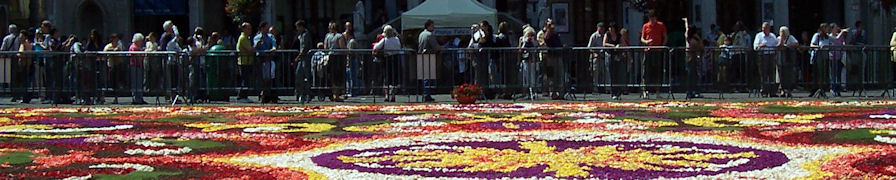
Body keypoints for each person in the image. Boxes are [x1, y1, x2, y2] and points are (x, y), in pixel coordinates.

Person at [640, 10, 667, 99]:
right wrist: (646, 42)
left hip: (657, 51)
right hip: (648, 50)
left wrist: (662, 46)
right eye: (651, 18)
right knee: (646, 71)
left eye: (654, 18)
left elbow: (665, 37)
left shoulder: (661, 25)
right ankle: (645, 91)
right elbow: (642, 38)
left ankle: (657, 91)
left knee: (657, 71)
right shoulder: (645, 26)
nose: (652, 20)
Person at [373, 25, 402, 102]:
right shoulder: (396, 39)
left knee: (386, 77)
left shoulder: (385, 40)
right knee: (395, 78)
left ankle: (386, 95)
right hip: (396, 58)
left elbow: (376, 47)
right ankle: (393, 95)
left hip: (387, 59)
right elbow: (399, 47)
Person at [417, 19, 442, 102]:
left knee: (424, 76)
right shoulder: (429, 35)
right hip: (428, 56)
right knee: (427, 77)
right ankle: (426, 95)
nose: (433, 27)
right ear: (428, 26)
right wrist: (442, 48)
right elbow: (435, 46)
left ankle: (426, 94)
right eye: (432, 25)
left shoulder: (421, 34)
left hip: (421, 56)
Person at [254, 22, 278, 103]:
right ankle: (262, 94)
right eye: (265, 28)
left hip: (268, 59)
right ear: (261, 28)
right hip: (260, 59)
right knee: (261, 78)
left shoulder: (270, 36)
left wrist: (273, 48)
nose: (267, 29)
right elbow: (254, 47)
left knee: (268, 78)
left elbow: (274, 44)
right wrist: (257, 44)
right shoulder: (257, 37)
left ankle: (268, 95)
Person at [753, 22, 779, 97]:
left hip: (771, 56)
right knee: (763, 74)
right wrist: (761, 45)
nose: (764, 30)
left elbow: (776, 45)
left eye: (766, 28)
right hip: (763, 56)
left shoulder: (773, 36)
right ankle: (764, 90)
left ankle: (772, 91)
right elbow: (755, 47)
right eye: (763, 28)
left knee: (772, 74)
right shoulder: (759, 36)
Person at [291, 20, 313, 103]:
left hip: (305, 58)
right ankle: (300, 93)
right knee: (298, 75)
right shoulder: (300, 35)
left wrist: (297, 57)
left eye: (297, 27)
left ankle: (308, 94)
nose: (297, 29)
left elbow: (304, 47)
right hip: (302, 58)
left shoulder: (305, 34)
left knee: (306, 76)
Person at [324, 21, 346, 102]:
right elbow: (342, 47)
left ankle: (333, 93)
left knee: (332, 76)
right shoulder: (339, 36)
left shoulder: (327, 36)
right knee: (338, 76)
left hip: (330, 56)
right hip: (338, 57)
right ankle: (336, 95)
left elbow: (325, 47)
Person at [236, 22, 258, 103]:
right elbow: (250, 49)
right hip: (243, 61)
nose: (250, 30)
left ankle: (244, 96)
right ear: (244, 29)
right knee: (245, 80)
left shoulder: (247, 37)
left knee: (247, 80)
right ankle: (241, 96)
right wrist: (256, 46)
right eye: (248, 29)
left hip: (248, 61)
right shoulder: (243, 38)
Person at [604, 22, 626, 100]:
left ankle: (618, 91)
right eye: (610, 28)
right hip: (610, 55)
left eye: (612, 28)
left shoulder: (619, 35)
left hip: (617, 56)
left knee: (618, 73)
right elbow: (604, 44)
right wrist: (613, 46)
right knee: (611, 74)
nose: (611, 29)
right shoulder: (607, 34)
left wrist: (619, 45)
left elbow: (624, 43)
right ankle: (613, 92)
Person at [544, 19, 565, 100]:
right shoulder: (547, 33)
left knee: (559, 75)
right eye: (550, 24)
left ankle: (560, 92)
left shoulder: (556, 34)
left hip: (558, 56)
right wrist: (548, 28)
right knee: (552, 76)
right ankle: (553, 93)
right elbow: (546, 38)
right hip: (551, 57)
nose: (552, 26)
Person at [683, 18, 704, 99]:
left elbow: (687, 28)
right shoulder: (690, 39)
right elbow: (700, 46)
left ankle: (692, 91)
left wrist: (686, 22)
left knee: (694, 74)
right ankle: (691, 91)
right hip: (691, 57)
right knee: (692, 75)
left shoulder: (689, 37)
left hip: (692, 57)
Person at [809, 23, 831, 98]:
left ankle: (822, 89)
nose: (828, 30)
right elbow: (812, 45)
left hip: (825, 56)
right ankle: (815, 89)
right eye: (826, 28)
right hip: (818, 56)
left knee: (824, 73)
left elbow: (836, 39)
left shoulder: (827, 37)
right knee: (817, 74)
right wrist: (819, 47)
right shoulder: (817, 36)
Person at [493, 21, 513, 99]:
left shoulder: (500, 37)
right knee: (505, 75)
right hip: (505, 57)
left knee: (502, 75)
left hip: (501, 58)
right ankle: (506, 91)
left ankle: (505, 91)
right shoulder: (506, 36)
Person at [777, 26, 799, 97]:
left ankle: (789, 90)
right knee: (781, 75)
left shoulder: (790, 37)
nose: (782, 34)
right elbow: (777, 46)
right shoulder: (778, 38)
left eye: (783, 32)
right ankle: (782, 90)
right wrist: (781, 40)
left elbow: (796, 43)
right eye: (781, 32)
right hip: (780, 59)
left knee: (788, 75)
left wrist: (787, 45)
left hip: (789, 59)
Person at [103, 33, 124, 104]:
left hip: (118, 65)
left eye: (117, 39)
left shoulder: (119, 45)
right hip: (110, 65)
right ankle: (104, 96)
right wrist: (112, 50)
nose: (116, 40)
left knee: (117, 81)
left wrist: (117, 50)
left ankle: (116, 98)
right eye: (114, 39)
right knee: (110, 81)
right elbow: (105, 52)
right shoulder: (108, 46)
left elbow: (121, 52)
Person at [587, 22, 607, 94]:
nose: (601, 29)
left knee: (604, 72)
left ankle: (604, 88)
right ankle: (595, 88)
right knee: (595, 72)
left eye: (602, 27)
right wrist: (594, 53)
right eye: (600, 27)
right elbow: (589, 47)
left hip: (602, 56)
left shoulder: (605, 35)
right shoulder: (594, 36)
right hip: (595, 56)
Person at [344, 21, 363, 98]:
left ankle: (353, 91)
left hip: (352, 59)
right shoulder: (344, 38)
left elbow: (352, 51)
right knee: (349, 76)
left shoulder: (352, 40)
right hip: (347, 59)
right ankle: (350, 90)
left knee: (352, 76)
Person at [519, 25, 538, 99]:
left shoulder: (534, 40)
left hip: (532, 60)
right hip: (525, 60)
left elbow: (535, 48)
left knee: (532, 77)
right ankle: (525, 93)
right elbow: (521, 49)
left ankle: (533, 92)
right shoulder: (522, 39)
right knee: (525, 77)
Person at [828, 23, 847, 97]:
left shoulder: (840, 36)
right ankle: (833, 88)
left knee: (838, 74)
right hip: (832, 57)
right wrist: (842, 32)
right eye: (835, 28)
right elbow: (836, 40)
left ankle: (838, 89)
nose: (837, 29)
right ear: (832, 29)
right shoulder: (829, 36)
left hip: (839, 57)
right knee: (833, 74)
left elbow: (842, 43)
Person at [128, 33, 148, 104]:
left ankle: (140, 97)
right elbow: (136, 55)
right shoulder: (133, 47)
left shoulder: (138, 47)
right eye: (140, 41)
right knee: (135, 82)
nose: (141, 42)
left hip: (139, 65)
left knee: (139, 82)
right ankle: (136, 98)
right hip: (135, 66)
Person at [1, 24, 19, 101]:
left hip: (8, 58)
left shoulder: (6, 38)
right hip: (17, 58)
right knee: (17, 76)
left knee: (9, 76)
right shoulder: (18, 38)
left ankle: (11, 92)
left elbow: (3, 49)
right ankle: (16, 93)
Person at [15, 30, 33, 104]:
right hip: (27, 64)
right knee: (26, 82)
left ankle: (25, 97)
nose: (20, 38)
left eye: (21, 37)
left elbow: (21, 53)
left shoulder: (24, 44)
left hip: (24, 64)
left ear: (25, 37)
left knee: (24, 82)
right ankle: (26, 97)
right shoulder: (29, 44)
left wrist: (18, 55)